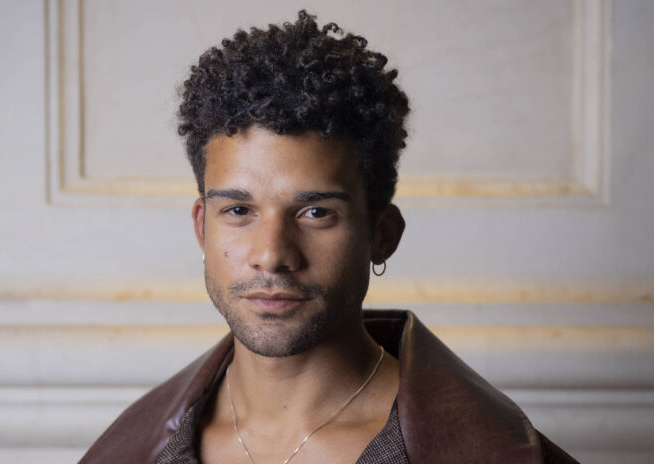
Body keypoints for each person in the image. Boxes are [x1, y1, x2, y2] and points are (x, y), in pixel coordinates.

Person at [80, 11, 578, 464]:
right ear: (201, 228)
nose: (272, 254)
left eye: (316, 212)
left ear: (381, 235)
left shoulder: (497, 453)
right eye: (239, 210)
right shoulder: (133, 452)